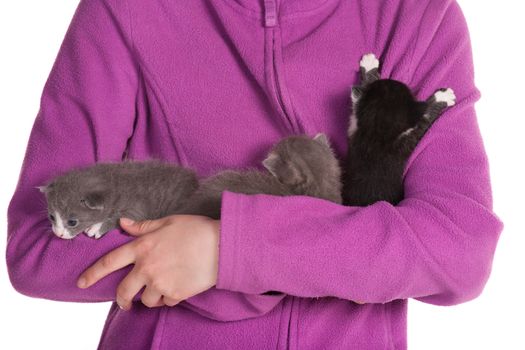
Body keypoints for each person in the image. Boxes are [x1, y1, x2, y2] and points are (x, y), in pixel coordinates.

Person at [6, 0, 503, 348]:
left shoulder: (415, 14)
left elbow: (459, 248)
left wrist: (230, 251)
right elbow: (37, 249)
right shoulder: (125, 10)